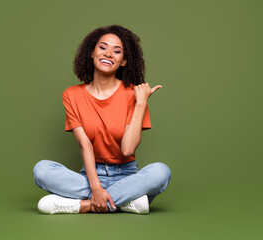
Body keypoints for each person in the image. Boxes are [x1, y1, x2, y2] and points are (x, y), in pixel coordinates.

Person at [33, 25, 171, 214]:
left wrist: (141, 103)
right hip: (90, 177)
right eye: (103, 47)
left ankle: (82, 205)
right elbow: (85, 145)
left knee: (161, 172)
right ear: (92, 52)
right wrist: (96, 188)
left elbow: (128, 149)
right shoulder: (72, 95)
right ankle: (124, 202)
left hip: (127, 176)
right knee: (42, 170)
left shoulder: (134, 95)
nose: (108, 54)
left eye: (117, 51)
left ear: (123, 61)